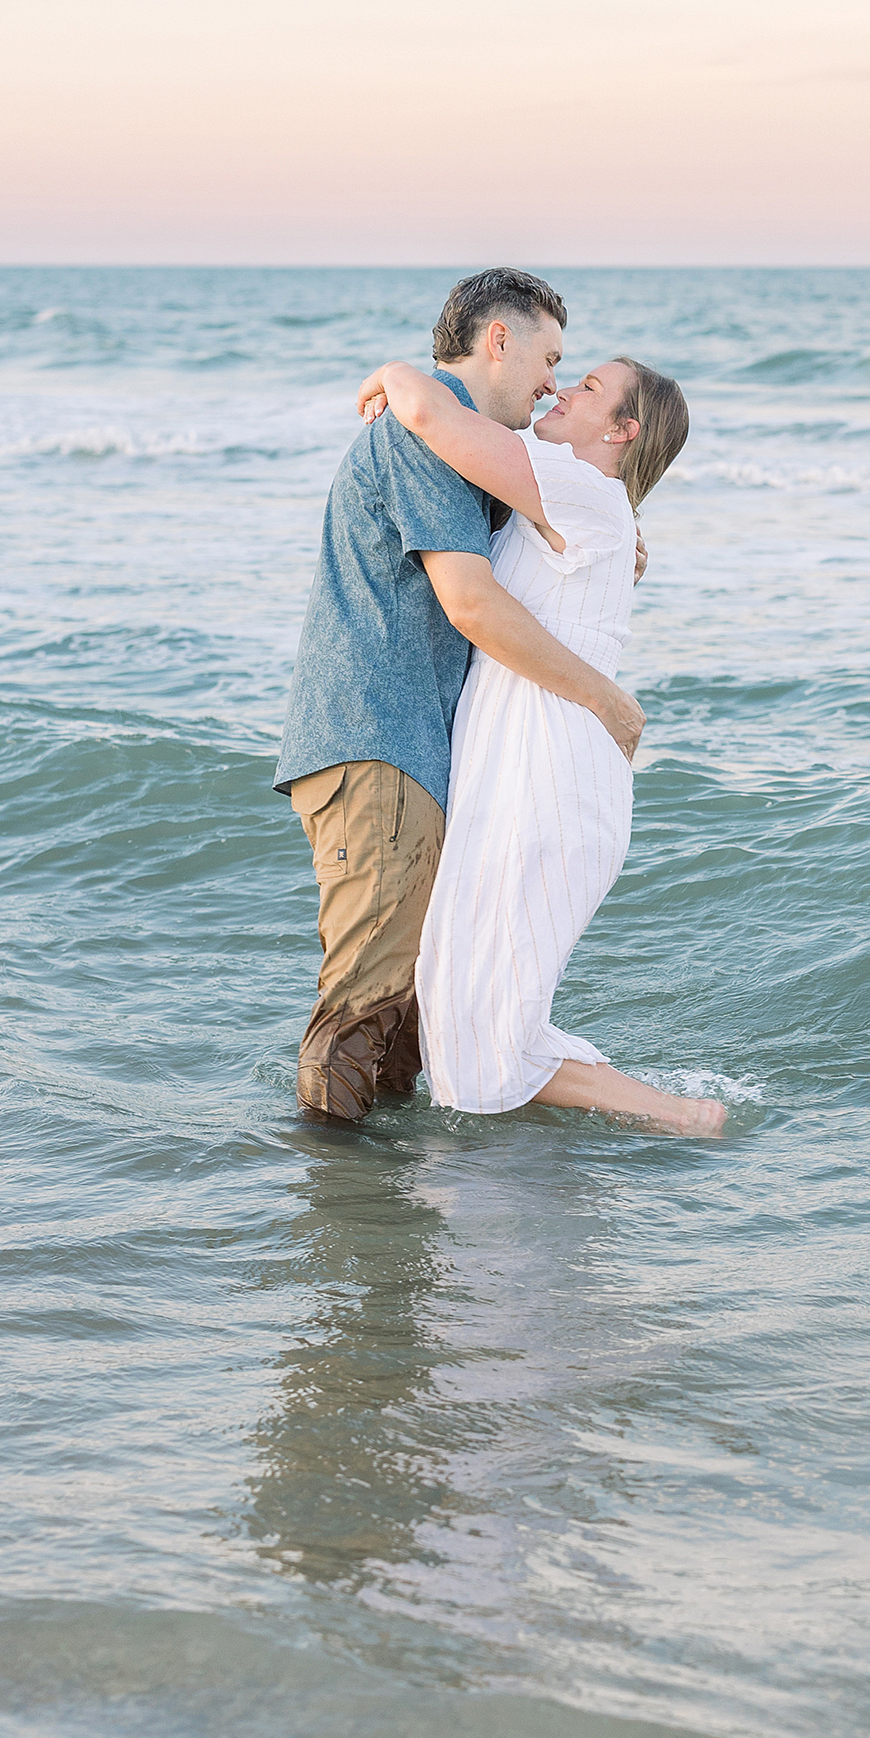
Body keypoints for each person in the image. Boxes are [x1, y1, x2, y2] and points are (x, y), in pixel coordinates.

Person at [276, 267, 643, 1125]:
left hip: (402, 748)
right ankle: (339, 1218)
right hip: (381, 742)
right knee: (366, 1002)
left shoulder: (457, 443)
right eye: (551, 357)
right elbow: (471, 602)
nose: (554, 379)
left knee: (407, 1006)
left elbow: (540, 527)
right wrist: (605, 701)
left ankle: (398, 1214)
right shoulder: (421, 436)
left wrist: (612, 536)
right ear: (499, 339)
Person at [355, 349, 726, 1139]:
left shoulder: (582, 491)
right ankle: (639, 1124)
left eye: (586, 386)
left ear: (622, 432)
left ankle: (681, 1116)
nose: (559, 387)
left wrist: (394, 371)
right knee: (468, 1010)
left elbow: (431, 417)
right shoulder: (578, 505)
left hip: (547, 774)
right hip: (531, 768)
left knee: (480, 1031)